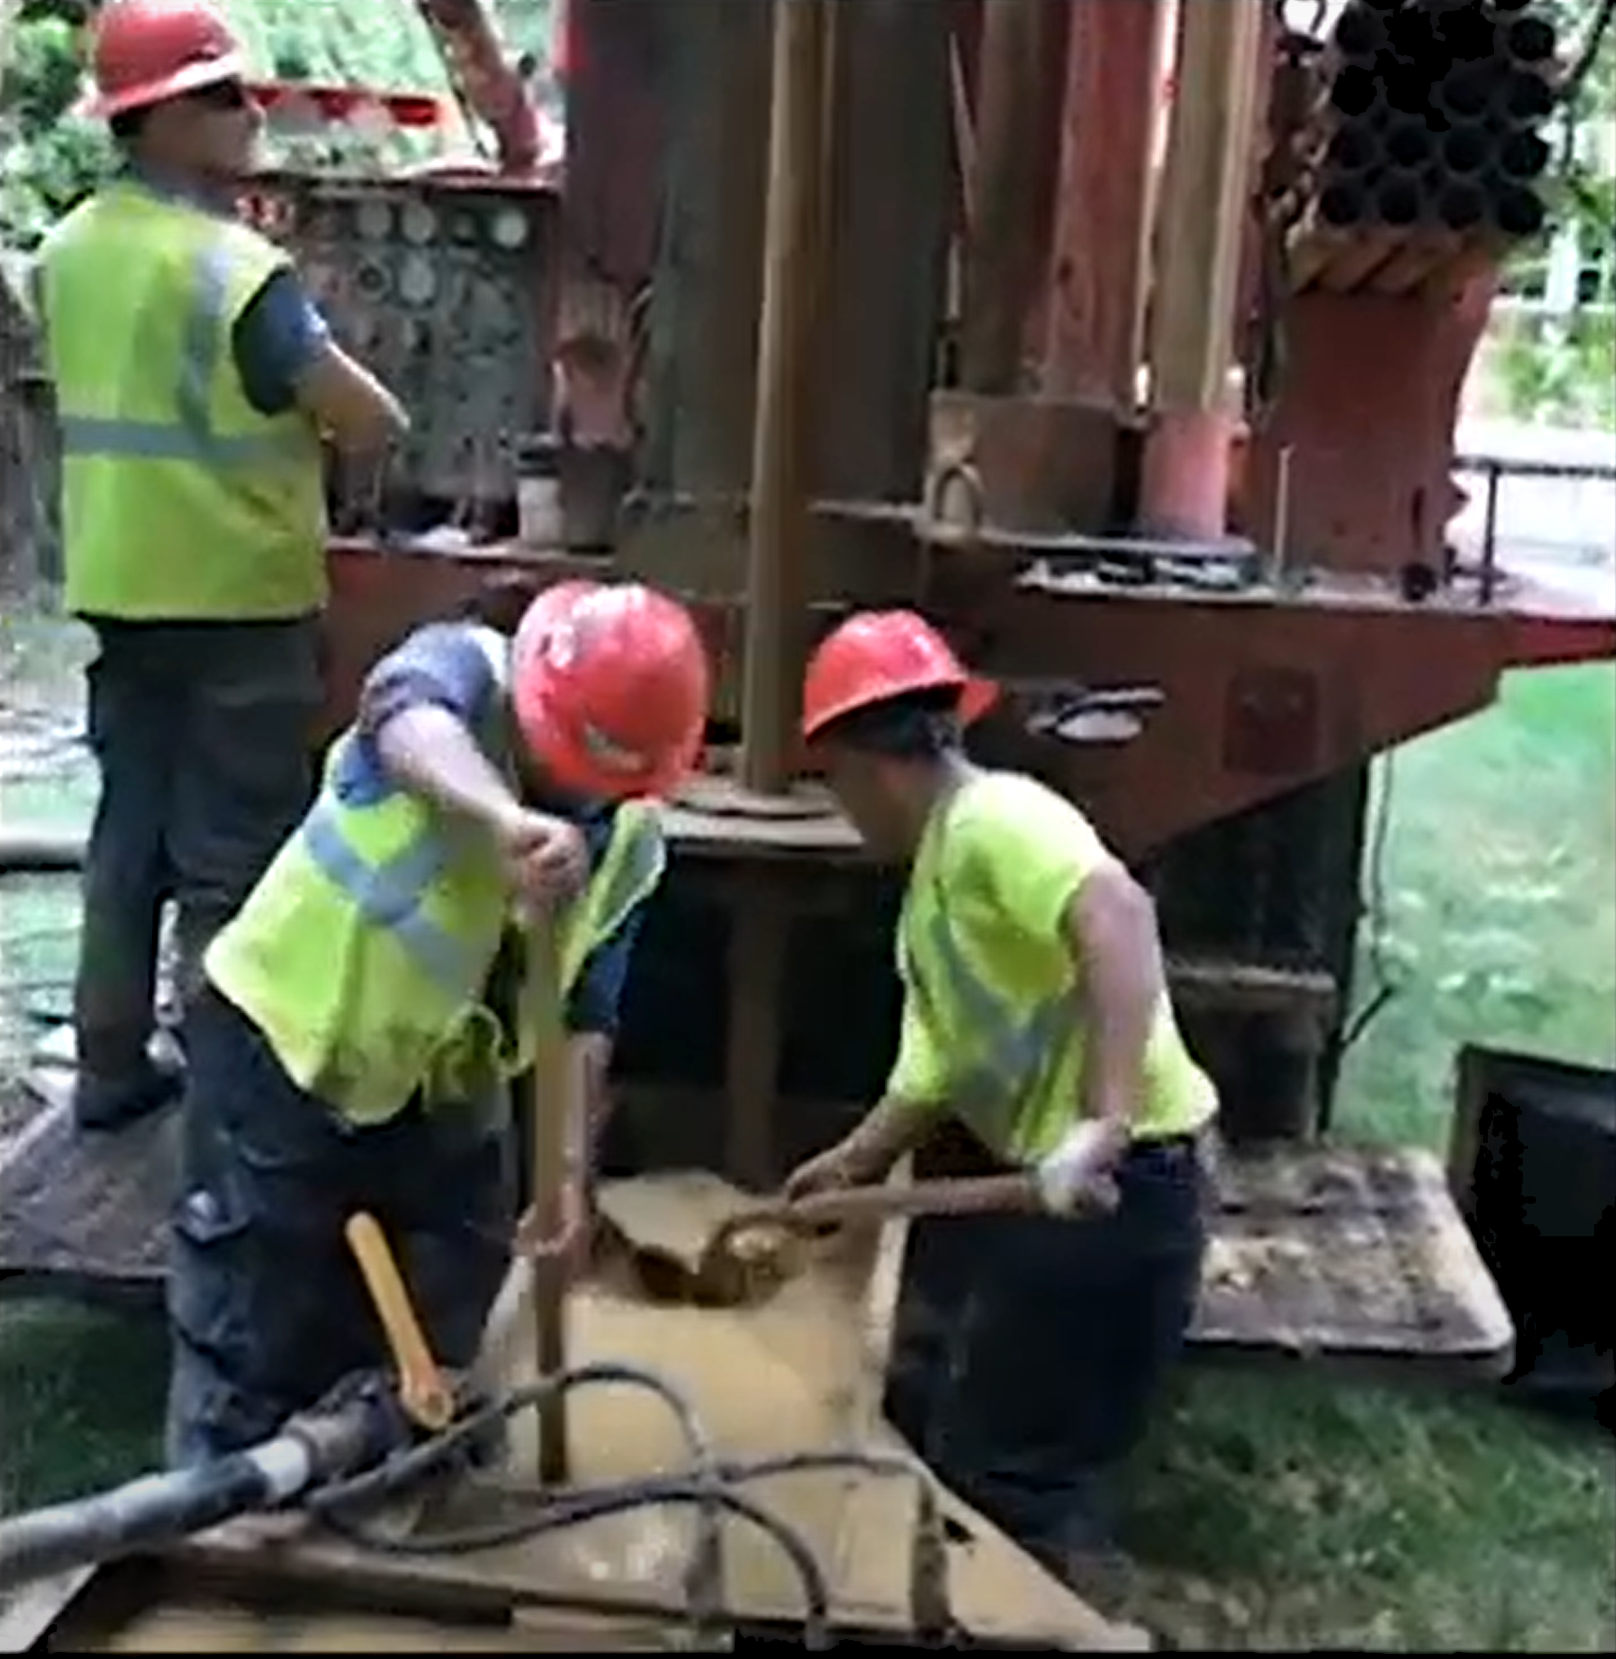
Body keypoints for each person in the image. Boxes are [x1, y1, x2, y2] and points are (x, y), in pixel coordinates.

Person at [165, 579, 710, 1467]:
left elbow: (587, 1012)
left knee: (452, 1341)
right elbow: (400, 711)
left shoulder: (633, 837)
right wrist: (502, 818)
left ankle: (404, 1517)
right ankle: (208, 1538)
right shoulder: (463, 674)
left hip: (443, 1092)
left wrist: (569, 1173)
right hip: (280, 1051)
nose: (577, 797)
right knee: (253, 1344)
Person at [782, 609, 1218, 1584]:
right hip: (1068, 1190)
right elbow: (938, 1061)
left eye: (833, 780)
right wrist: (856, 1158)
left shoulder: (997, 821)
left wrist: (1100, 1123)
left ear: (868, 764)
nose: (839, 805)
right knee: (962, 1437)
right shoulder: (939, 872)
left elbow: (1115, 913)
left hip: (1121, 1188)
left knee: (1010, 1491)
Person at [33, 0, 408, 1131]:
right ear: (154, 119)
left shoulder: (65, 253)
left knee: (127, 838)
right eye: (221, 96)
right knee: (233, 860)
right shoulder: (235, 271)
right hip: (240, 601)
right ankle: (232, 1102)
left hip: (121, 595)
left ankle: (108, 1067)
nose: (248, 114)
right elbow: (367, 421)